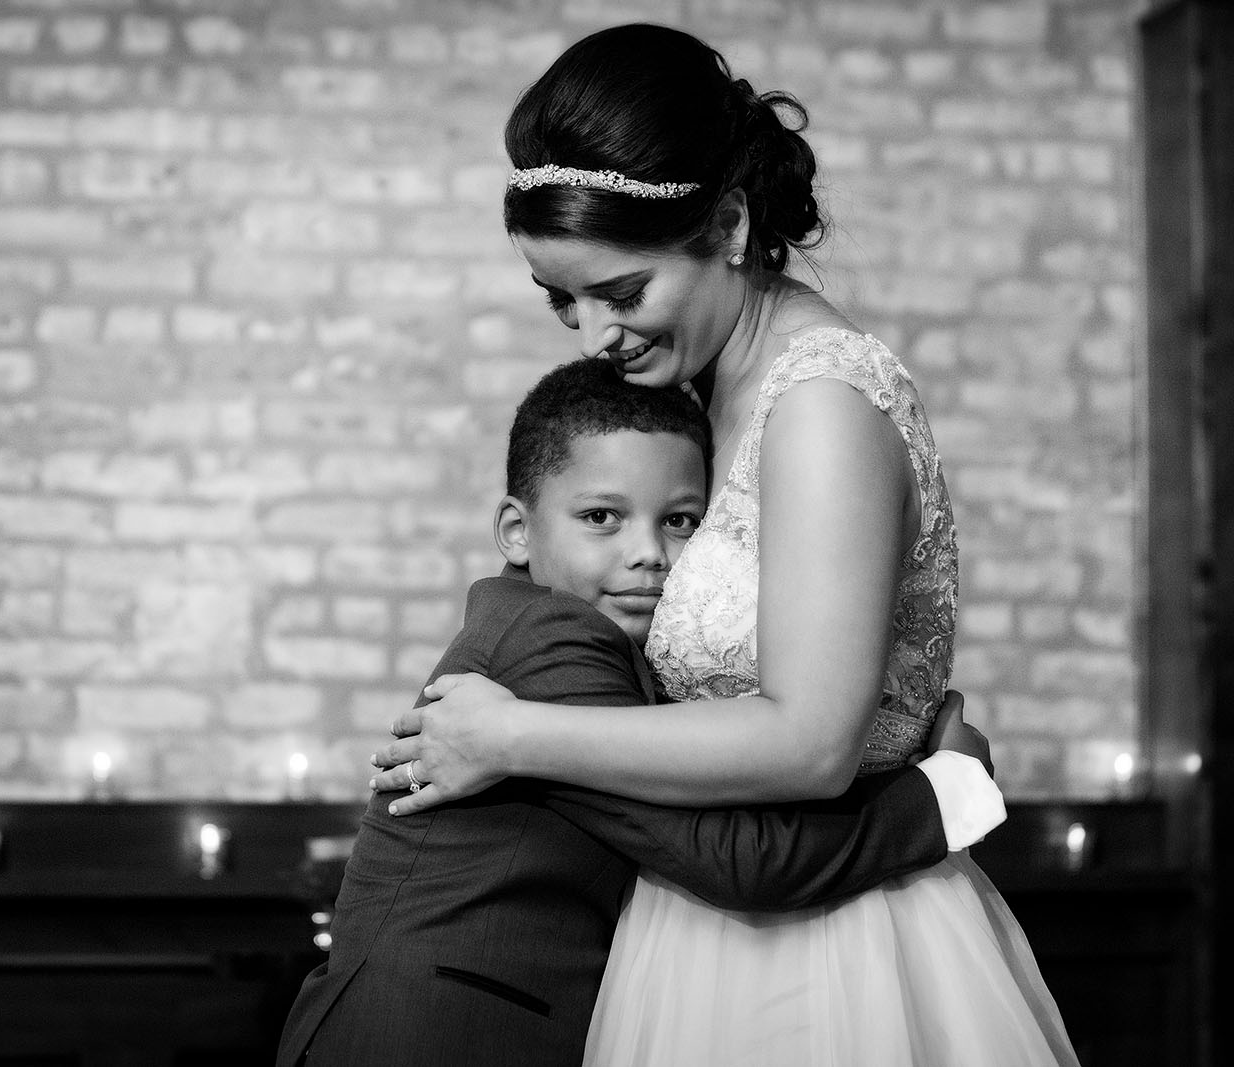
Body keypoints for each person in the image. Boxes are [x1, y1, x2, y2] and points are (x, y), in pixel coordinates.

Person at [367, 23, 1080, 1066]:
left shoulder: (823, 401)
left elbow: (808, 741)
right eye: (561, 299)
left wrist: (511, 735)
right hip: (700, 910)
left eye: (622, 292)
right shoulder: (702, 393)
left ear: (731, 225)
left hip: (831, 939)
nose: (590, 335)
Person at [276, 358, 1002, 1066]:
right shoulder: (551, 645)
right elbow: (739, 859)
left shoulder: (570, 634)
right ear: (516, 530)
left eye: (681, 520)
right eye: (601, 517)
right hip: (425, 1035)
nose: (649, 553)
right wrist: (945, 786)